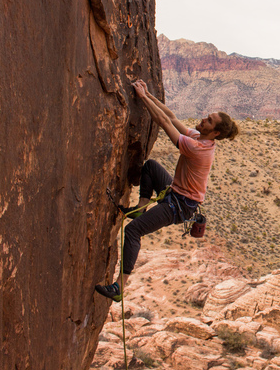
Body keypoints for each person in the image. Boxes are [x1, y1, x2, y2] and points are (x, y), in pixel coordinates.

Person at [95, 79, 239, 301]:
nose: (204, 119)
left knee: (133, 232)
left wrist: (142, 96)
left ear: (216, 133)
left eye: (209, 120)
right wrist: (150, 95)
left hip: (178, 206)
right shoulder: (198, 137)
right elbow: (171, 117)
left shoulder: (197, 148)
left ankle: (119, 288)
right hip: (177, 194)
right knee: (151, 166)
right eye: (207, 116)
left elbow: (163, 122)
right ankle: (139, 210)